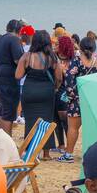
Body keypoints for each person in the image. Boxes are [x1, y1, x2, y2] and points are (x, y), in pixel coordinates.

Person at [58, 35, 97, 162]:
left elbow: (69, 81)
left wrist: (72, 97)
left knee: (73, 128)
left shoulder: (77, 62)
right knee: (92, 130)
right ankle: (93, 155)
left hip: (77, 100)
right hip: (93, 101)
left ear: (80, 48)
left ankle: (68, 155)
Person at [16, 29, 60, 159]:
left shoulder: (26, 56)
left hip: (29, 91)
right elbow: (59, 77)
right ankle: (46, 153)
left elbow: (18, 75)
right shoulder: (52, 57)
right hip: (46, 92)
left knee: (30, 121)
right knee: (47, 121)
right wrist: (55, 87)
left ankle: (30, 152)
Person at [0, 20, 27, 136]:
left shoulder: (0, 39)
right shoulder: (14, 39)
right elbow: (18, 60)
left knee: (4, 111)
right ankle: (6, 140)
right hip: (8, 78)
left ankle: (3, 139)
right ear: (19, 30)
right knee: (9, 113)